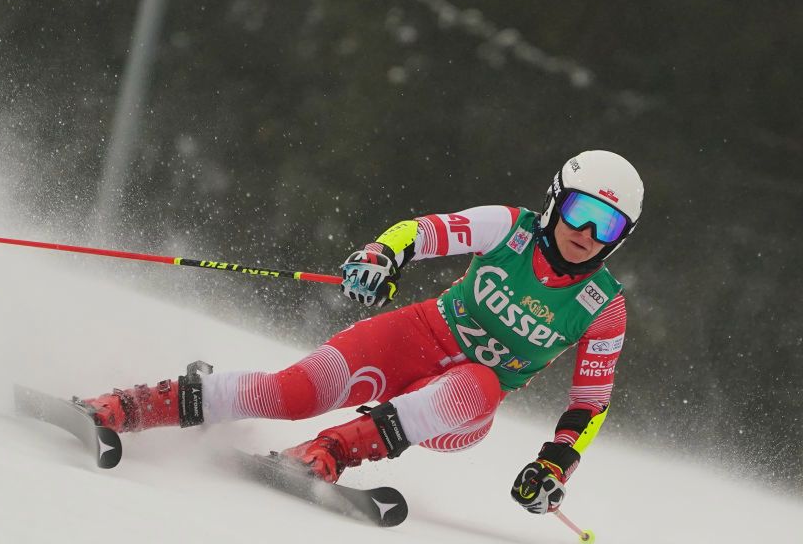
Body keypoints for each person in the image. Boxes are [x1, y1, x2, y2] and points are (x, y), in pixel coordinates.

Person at [83, 150, 644, 515]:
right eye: (578, 212)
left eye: (608, 225)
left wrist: (554, 464)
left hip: (463, 409)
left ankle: (330, 451)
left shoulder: (605, 306)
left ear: (622, 237)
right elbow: (419, 233)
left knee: (478, 382)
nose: (588, 233)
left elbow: (589, 405)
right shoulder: (509, 227)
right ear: (555, 203)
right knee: (295, 391)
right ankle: (127, 406)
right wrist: (381, 256)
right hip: (420, 334)